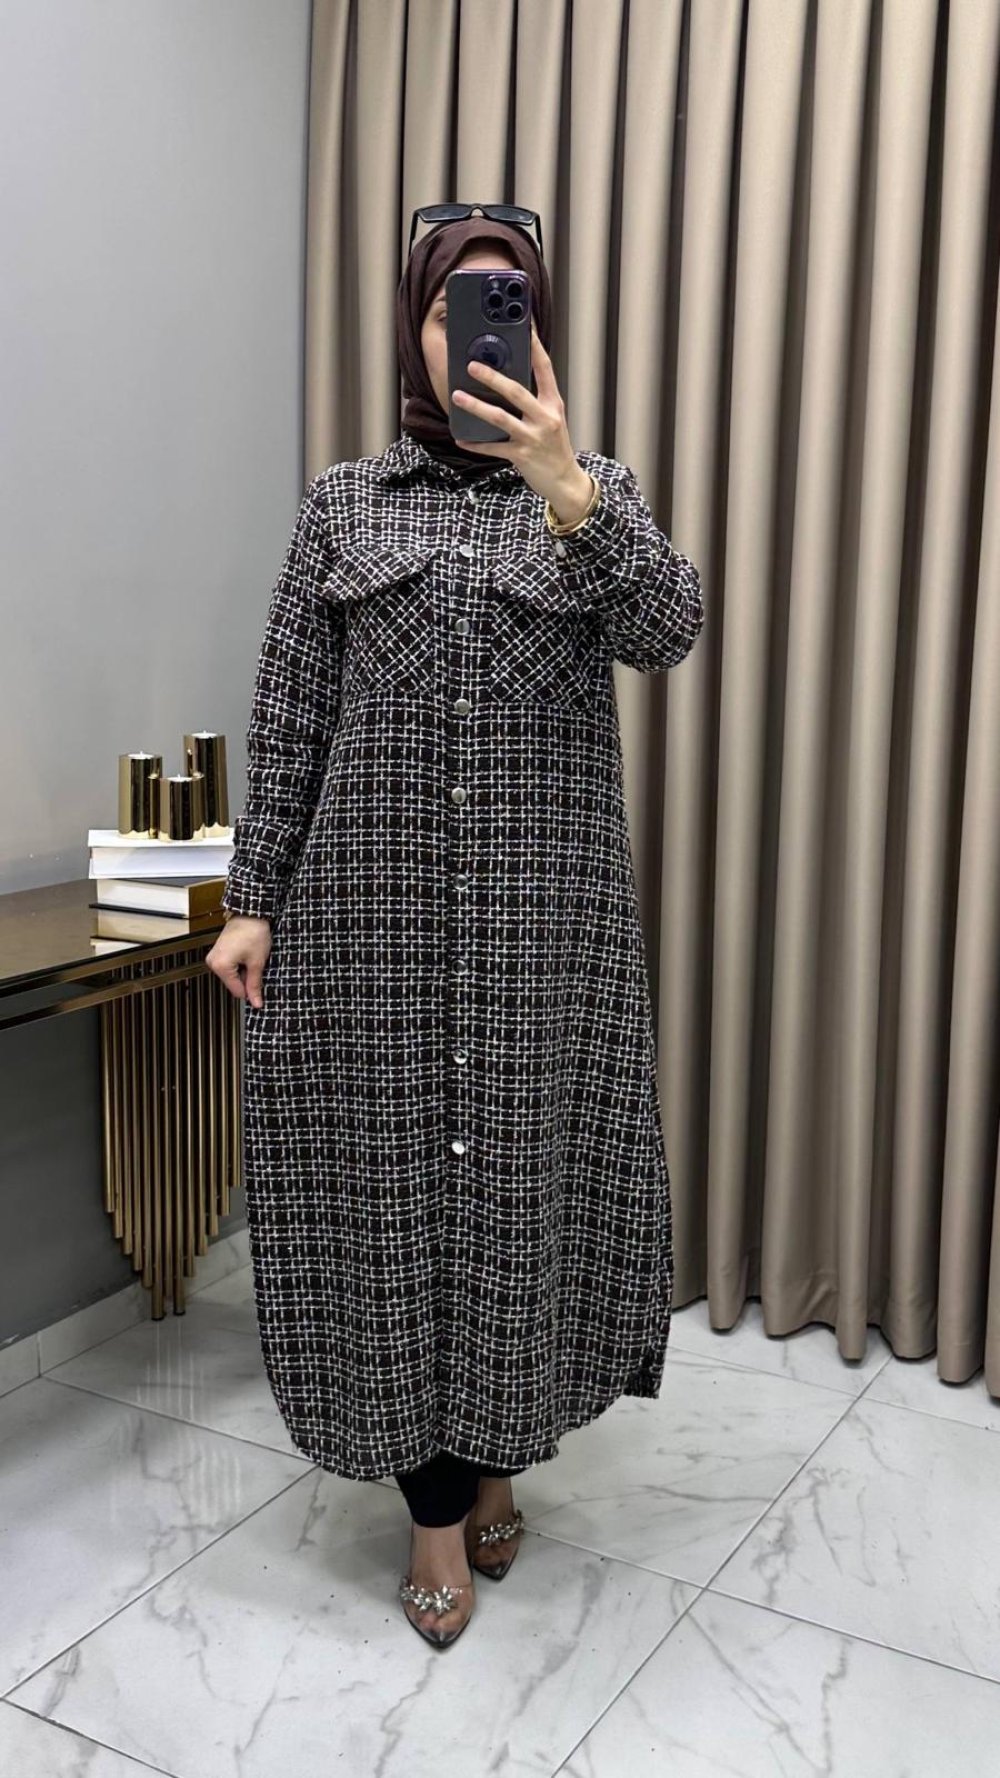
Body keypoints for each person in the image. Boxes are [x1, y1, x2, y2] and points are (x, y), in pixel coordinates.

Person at [207, 213, 704, 1651]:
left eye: (507, 301)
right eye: (452, 306)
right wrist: (253, 899)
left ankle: (497, 1454)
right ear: (415, 327)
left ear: (538, 327)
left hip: (545, 933)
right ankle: (433, 1510)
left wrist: (570, 489)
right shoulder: (344, 506)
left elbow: (669, 629)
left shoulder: (592, 491)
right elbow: (292, 708)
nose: (476, 328)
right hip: (370, 931)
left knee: (517, 1200)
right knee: (391, 1205)